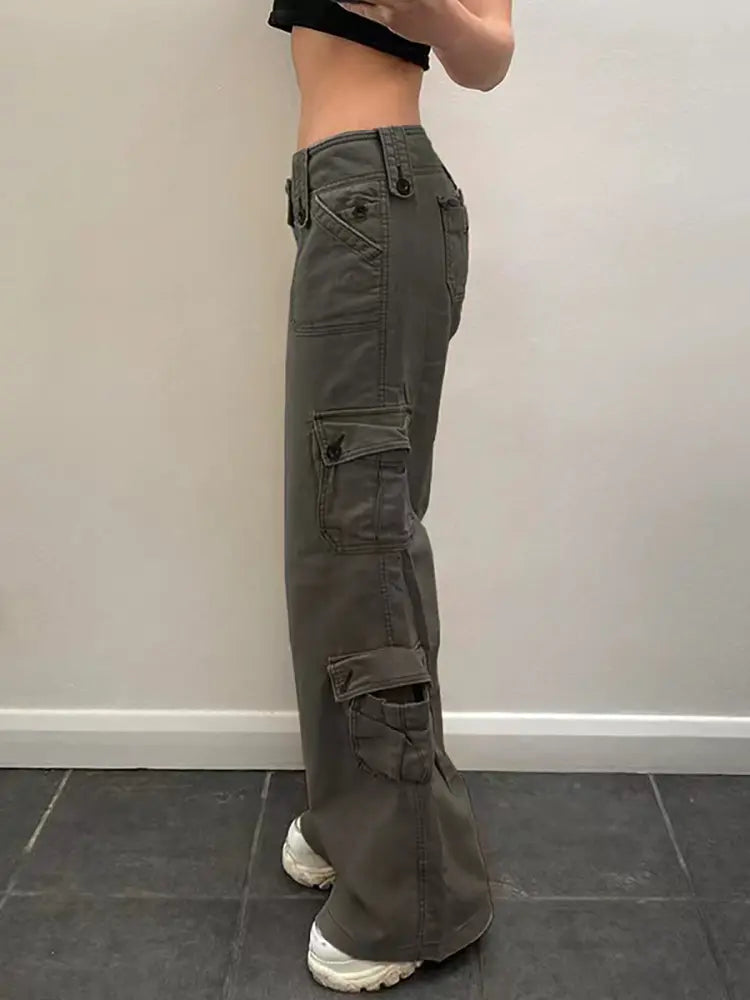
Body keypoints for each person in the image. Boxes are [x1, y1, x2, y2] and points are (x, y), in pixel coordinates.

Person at [268, 0, 514, 991]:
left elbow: (489, 56)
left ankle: (413, 895)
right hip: (343, 198)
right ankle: (353, 817)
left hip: (373, 193)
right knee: (332, 534)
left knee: (358, 538)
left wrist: (427, 12)